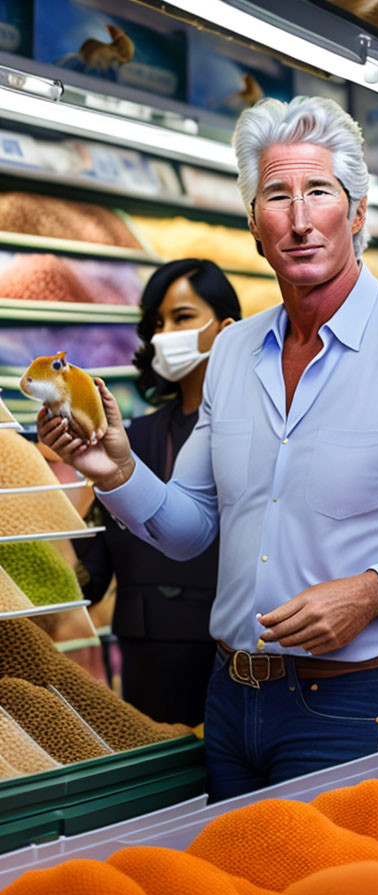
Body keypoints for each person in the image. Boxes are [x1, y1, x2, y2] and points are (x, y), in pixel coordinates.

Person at [38, 96, 378, 801]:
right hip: (229, 701)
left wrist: (373, 593)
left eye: (319, 193)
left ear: (356, 214)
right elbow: (192, 530)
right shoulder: (235, 351)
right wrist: (117, 469)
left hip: (354, 706)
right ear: (253, 223)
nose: (299, 220)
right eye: (277, 196)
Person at [73, 259, 241, 726]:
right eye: (157, 323)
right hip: (144, 659)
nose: (166, 333)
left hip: (228, 659)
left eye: (183, 317)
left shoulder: (255, 434)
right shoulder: (128, 437)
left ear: (227, 329)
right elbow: (92, 559)